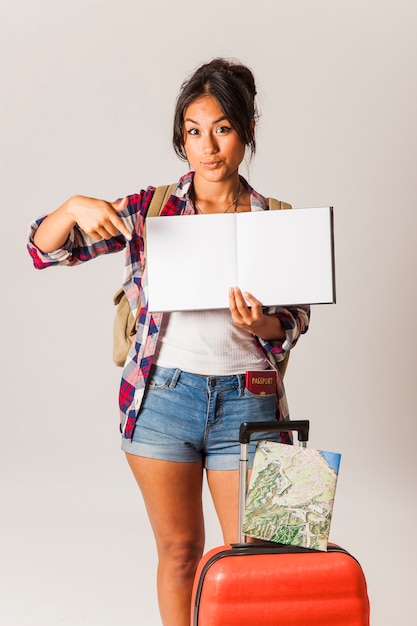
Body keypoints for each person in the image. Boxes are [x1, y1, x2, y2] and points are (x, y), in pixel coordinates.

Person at [27, 58, 310, 626]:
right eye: (194, 131)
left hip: (249, 402)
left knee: (266, 559)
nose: (208, 146)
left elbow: (297, 318)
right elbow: (44, 249)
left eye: (223, 128)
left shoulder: (275, 218)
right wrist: (71, 207)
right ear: (181, 135)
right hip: (162, 401)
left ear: (248, 130)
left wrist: (263, 326)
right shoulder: (151, 210)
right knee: (180, 554)